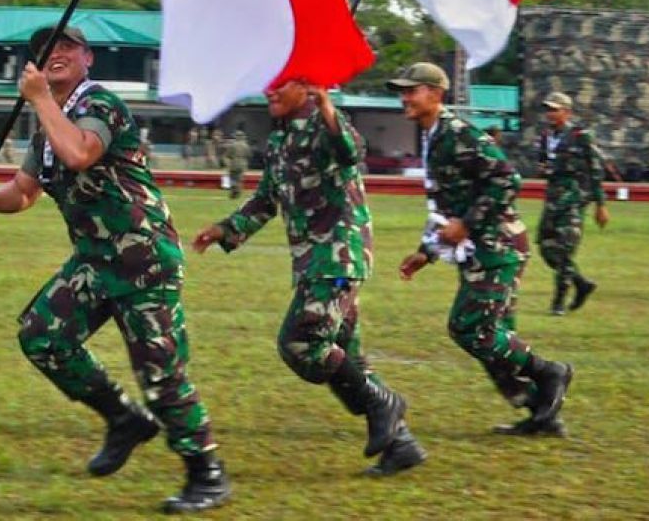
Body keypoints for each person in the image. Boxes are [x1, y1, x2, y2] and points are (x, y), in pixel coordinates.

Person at [0, 25, 231, 514]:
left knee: (160, 373)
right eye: (44, 51)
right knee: (42, 335)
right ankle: (123, 418)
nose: (54, 54)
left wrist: (41, 100)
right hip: (96, 259)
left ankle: (206, 471)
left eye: (66, 47)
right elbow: (22, 194)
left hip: (142, 256)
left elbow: (81, 152)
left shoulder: (100, 104)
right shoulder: (49, 123)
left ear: (88, 59)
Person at [192, 81, 425, 476]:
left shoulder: (325, 124)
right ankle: (401, 444)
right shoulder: (281, 139)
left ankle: (384, 403)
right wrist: (225, 230)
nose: (269, 92)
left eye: (280, 85)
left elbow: (351, 151)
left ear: (306, 88)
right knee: (346, 357)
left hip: (337, 256)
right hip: (313, 261)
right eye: (267, 86)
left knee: (301, 342)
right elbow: (268, 197)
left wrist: (328, 107)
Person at [389, 63, 575, 437]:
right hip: (481, 247)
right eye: (403, 91)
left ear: (436, 94)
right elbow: (447, 204)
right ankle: (543, 415)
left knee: (470, 327)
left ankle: (549, 372)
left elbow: (508, 179)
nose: (405, 98)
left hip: (498, 245)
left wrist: (468, 223)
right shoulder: (433, 137)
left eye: (413, 90)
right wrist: (426, 251)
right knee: (496, 338)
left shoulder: (458, 134)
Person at [537, 92, 610, 315]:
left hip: (574, 199)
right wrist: (544, 169)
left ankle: (558, 303)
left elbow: (596, 169)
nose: (550, 114)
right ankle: (581, 284)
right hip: (553, 199)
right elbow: (543, 163)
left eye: (555, 109)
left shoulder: (580, 136)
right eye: (548, 109)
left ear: (566, 112)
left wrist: (600, 204)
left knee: (564, 249)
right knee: (546, 248)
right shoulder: (546, 137)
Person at [223, 130, 252, 200]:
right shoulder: (246, 145)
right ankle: (237, 193)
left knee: (233, 179)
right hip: (242, 164)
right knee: (239, 179)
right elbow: (249, 155)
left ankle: (234, 192)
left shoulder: (232, 145)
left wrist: (227, 163)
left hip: (234, 163)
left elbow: (227, 155)